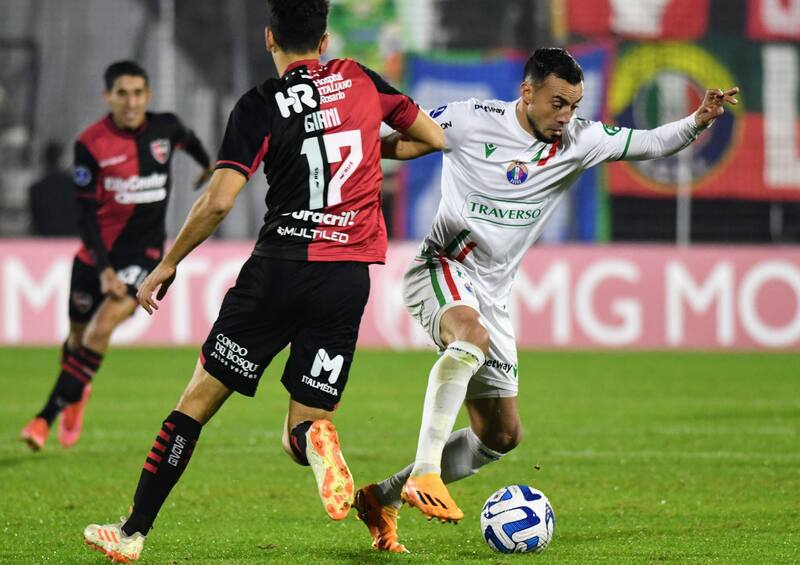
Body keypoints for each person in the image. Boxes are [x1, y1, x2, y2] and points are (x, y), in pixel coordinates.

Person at [82, 0, 444, 561]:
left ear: (269, 38)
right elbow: (430, 139)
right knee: (300, 431)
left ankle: (131, 534)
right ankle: (313, 438)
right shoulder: (360, 80)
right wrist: (369, 145)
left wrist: (169, 261)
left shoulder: (258, 105)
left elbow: (220, 200)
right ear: (325, 40)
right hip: (347, 279)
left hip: (278, 271)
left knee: (193, 406)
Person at [353, 47, 740, 553]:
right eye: (558, 103)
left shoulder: (581, 141)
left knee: (501, 436)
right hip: (442, 265)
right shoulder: (472, 118)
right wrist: (354, 148)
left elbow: (648, 141)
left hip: (493, 291)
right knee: (469, 336)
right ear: (527, 92)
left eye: (574, 105)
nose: (566, 116)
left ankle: (382, 498)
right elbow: (403, 144)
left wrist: (697, 120)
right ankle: (426, 471)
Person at [19, 60, 213, 452]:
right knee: (76, 339)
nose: (131, 101)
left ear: (149, 96)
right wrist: (104, 270)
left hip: (143, 257)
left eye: (138, 93)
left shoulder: (166, 128)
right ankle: (78, 393)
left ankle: (44, 419)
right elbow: (86, 216)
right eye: (122, 93)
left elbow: (190, 140)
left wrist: (206, 164)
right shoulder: (90, 144)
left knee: (100, 328)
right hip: (94, 259)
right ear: (108, 96)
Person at [28, 140, 79, 236]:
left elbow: (35, 222)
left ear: (45, 160)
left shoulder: (36, 189)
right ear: (62, 159)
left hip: (46, 242)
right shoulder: (75, 186)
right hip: (71, 240)